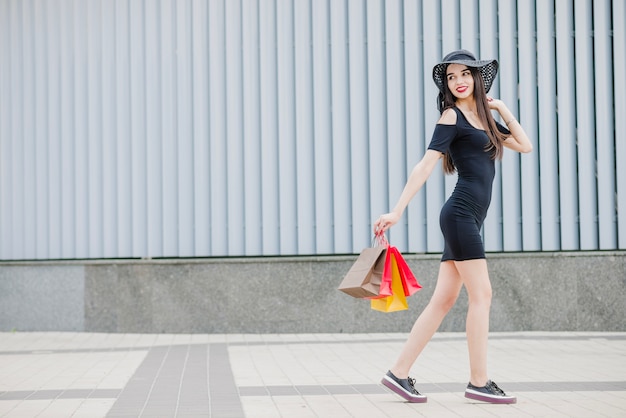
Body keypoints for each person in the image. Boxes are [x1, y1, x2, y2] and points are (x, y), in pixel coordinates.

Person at [373, 50, 532, 404]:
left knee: (443, 301)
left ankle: (398, 373)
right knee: (483, 295)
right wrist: (397, 211)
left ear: (477, 78)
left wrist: (501, 108)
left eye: (465, 74)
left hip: (468, 218)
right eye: (451, 77)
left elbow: (525, 145)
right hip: (459, 215)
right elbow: (426, 164)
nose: (458, 81)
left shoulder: (484, 121)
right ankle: (479, 381)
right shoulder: (452, 116)